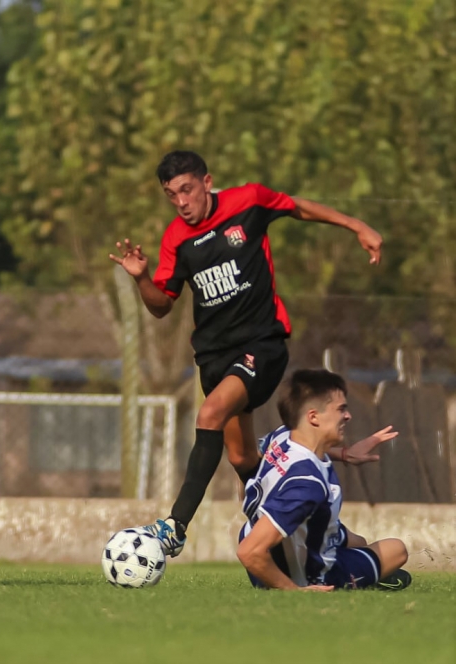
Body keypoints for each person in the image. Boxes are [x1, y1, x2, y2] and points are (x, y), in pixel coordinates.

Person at [109, 150, 384, 557]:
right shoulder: (175, 240)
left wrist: (355, 224)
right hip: (214, 358)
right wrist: (142, 278)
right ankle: (334, 539)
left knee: (210, 415)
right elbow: (161, 305)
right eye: (172, 195)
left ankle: (174, 526)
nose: (182, 202)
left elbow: (296, 207)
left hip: (262, 345)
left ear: (206, 182)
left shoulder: (248, 201)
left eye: (187, 190)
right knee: (242, 458)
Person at [237, 369, 411, 591]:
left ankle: (356, 565)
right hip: (298, 574)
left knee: (357, 541)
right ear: (313, 417)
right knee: (397, 549)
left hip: (268, 551)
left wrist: (345, 454)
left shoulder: (282, 436)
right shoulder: (306, 483)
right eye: (341, 409)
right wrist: (297, 591)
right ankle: (349, 582)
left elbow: (266, 455)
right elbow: (249, 552)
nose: (347, 416)